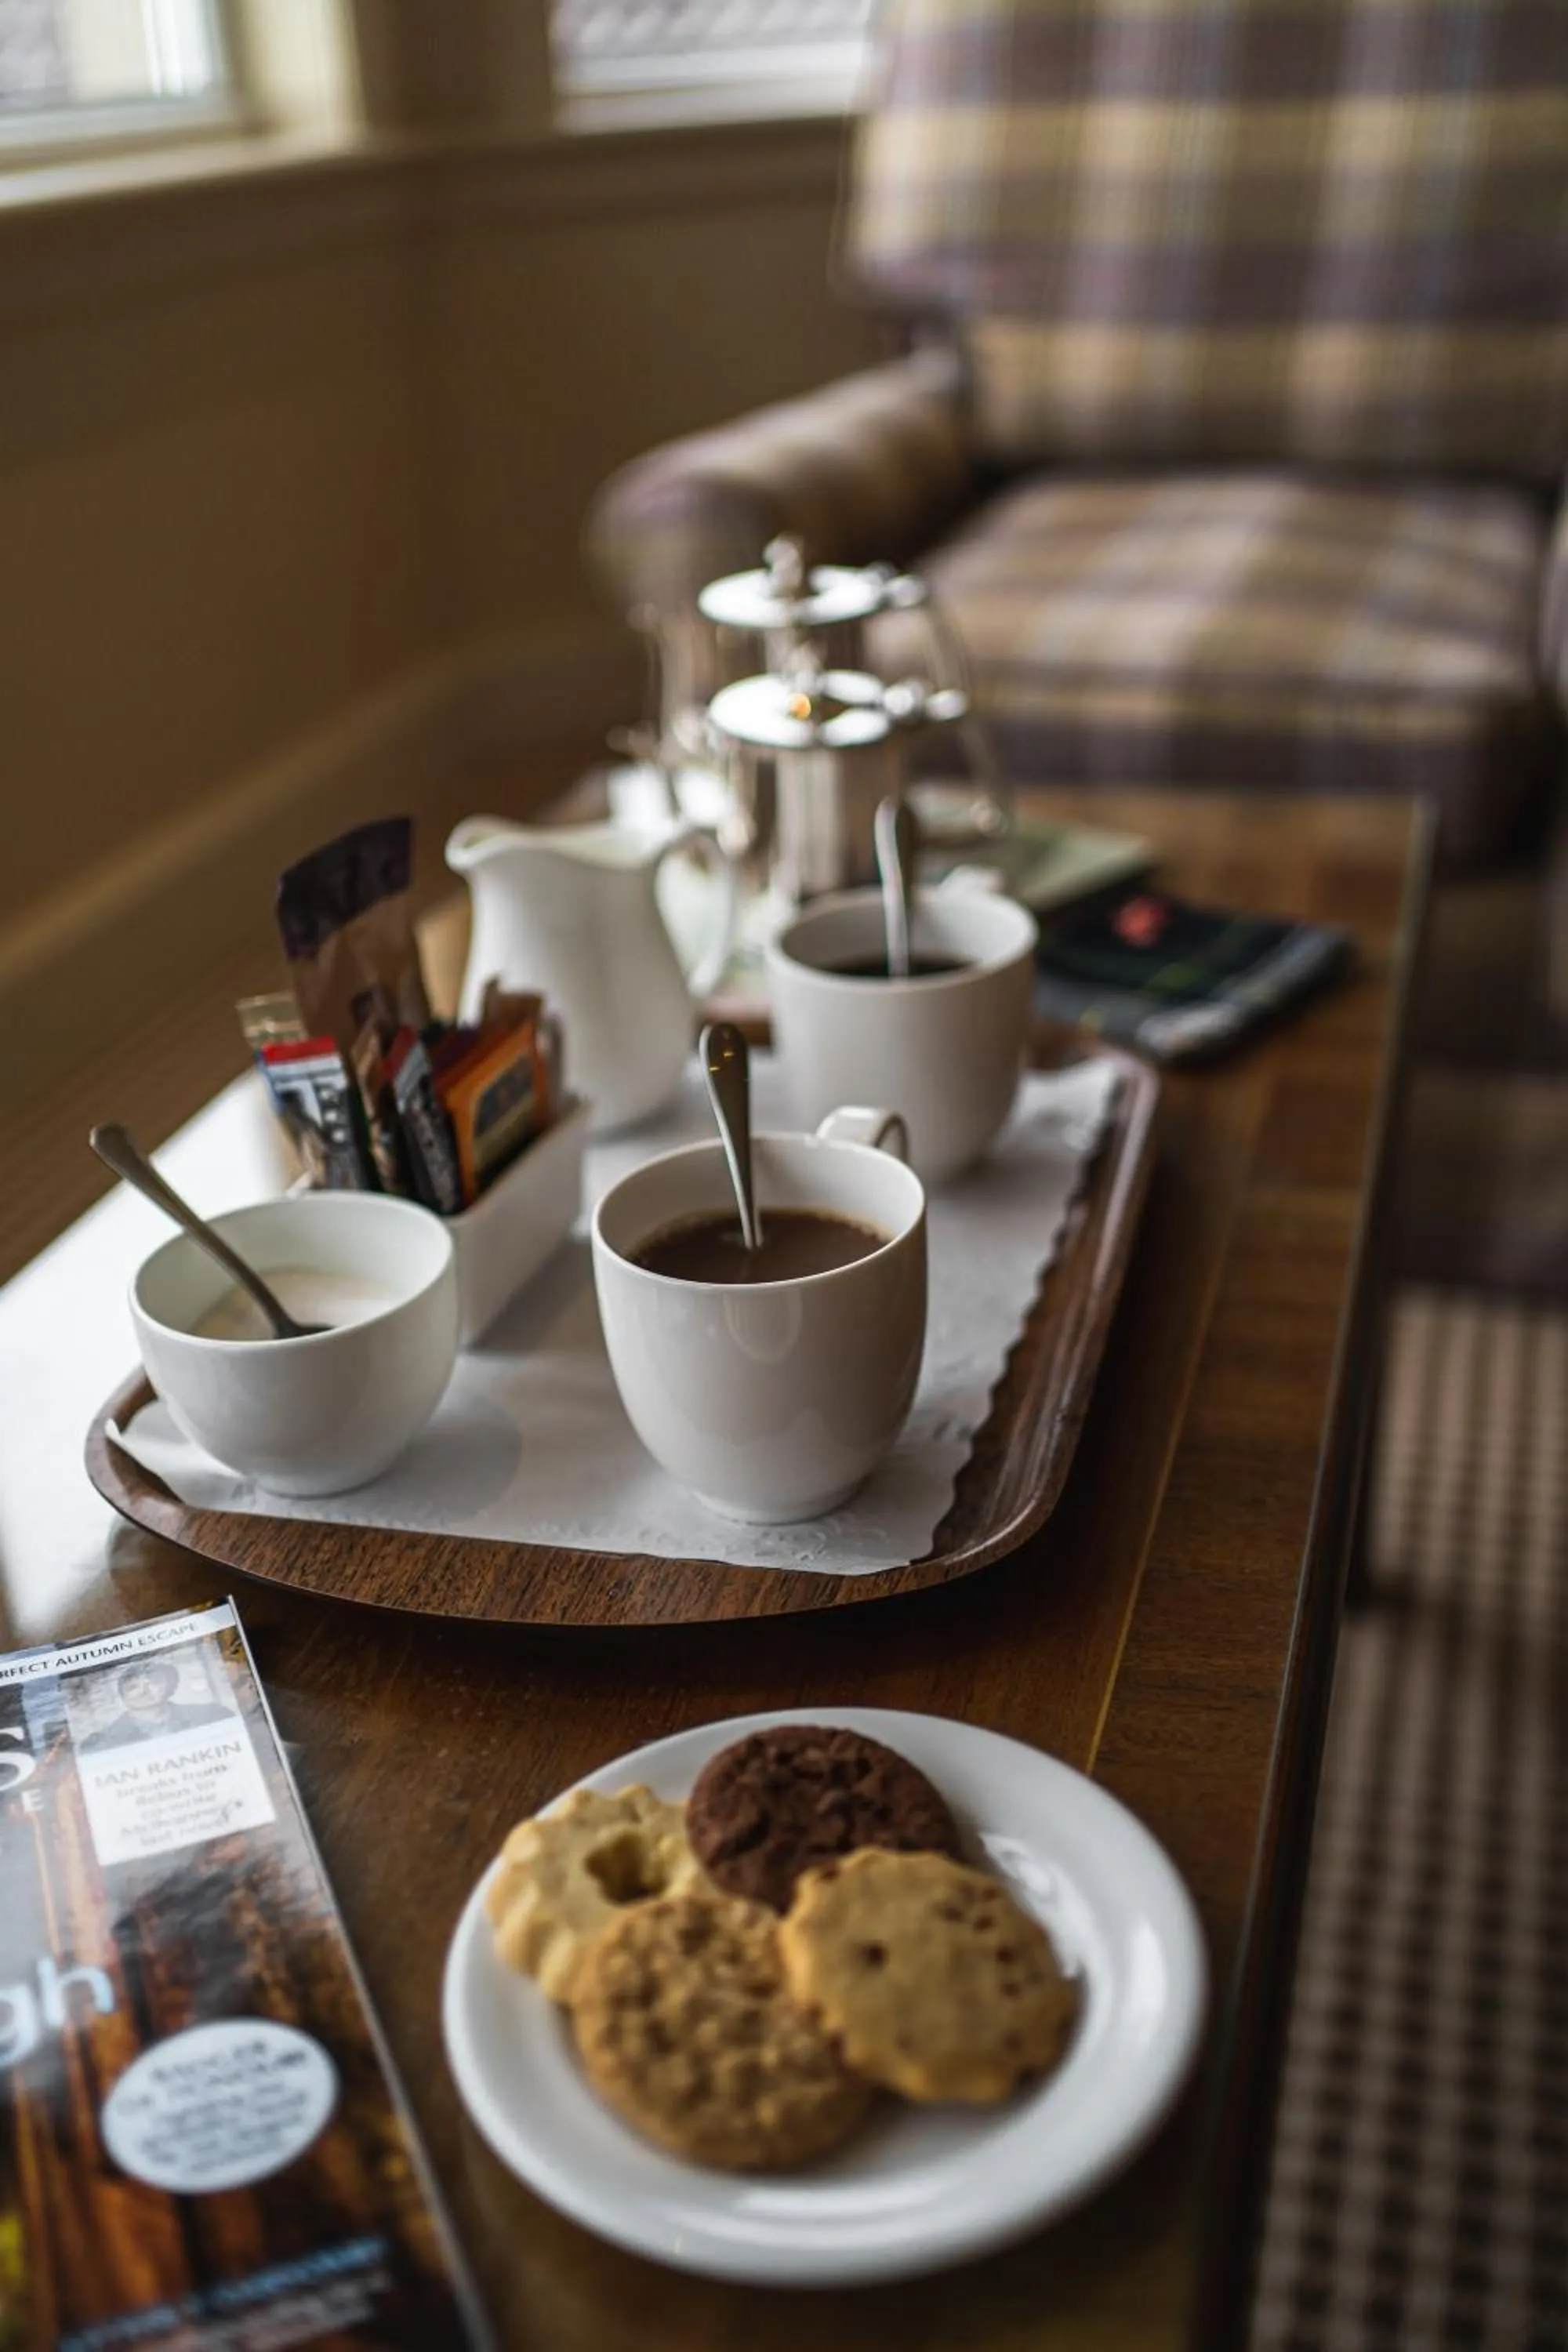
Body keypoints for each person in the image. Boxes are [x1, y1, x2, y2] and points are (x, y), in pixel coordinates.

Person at [78, 1657, 233, 1751]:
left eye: (153, 1682)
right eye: (132, 1687)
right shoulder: (100, 1744)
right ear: (122, 1696)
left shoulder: (214, 1716)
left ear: (169, 1686)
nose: (143, 1691)